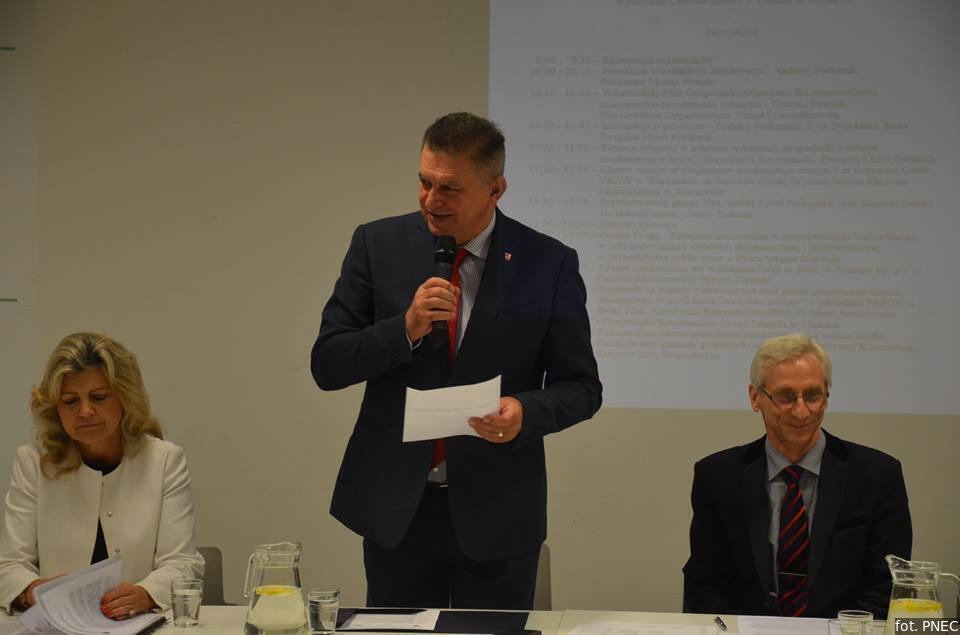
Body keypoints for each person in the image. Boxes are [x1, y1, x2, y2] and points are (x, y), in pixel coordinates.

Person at [311, 112, 602, 609]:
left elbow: (581, 387)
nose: (431, 200)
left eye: (449, 188)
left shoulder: (548, 263)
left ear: (496, 190)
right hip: (397, 508)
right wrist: (405, 328)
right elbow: (328, 363)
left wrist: (525, 412)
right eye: (424, 182)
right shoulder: (377, 245)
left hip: (498, 511)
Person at [682, 333, 912, 618]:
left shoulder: (877, 476)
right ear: (755, 397)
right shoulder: (718, 477)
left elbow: (888, 585)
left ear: (826, 398)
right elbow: (704, 583)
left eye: (813, 395)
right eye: (786, 396)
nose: (802, 411)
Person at [0, 332, 204, 617]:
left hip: (135, 624)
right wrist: (33, 590)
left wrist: (144, 594)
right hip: (57, 625)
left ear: (125, 398)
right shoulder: (33, 462)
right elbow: (9, 566)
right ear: (55, 408)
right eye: (70, 401)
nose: (85, 411)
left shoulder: (164, 460)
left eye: (98, 397)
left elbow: (182, 562)